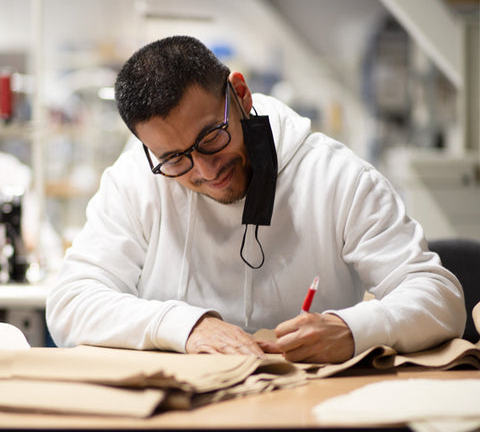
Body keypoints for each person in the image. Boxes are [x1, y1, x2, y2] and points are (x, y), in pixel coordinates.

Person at [46, 36, 465, 363]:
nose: (206, 172)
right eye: (175, 158)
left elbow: (440, 297)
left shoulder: (337, 177)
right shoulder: (134, 183)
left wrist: (353, 329)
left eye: (211, 137)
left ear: (240, 94)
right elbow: (70, 302)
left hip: (308, 420)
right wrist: (183, 326)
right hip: (179, 424)